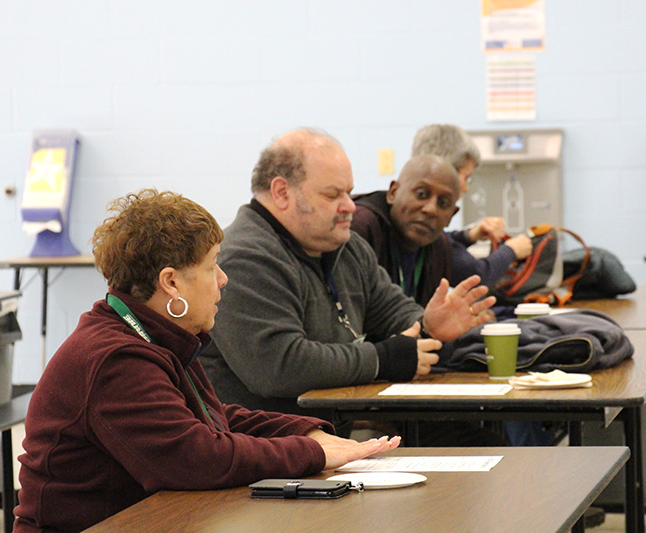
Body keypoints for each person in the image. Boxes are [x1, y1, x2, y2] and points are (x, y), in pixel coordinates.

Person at [14, 189, 400, 532]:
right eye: (212, 265)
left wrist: (307, 433)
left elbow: (214, 418)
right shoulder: (115, 357)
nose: (223, 279)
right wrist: (310, 453)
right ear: (171, 282)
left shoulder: (154, 335)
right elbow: (195, 458)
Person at [199, 128, 495, 430]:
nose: (350, 205)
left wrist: (429, 324)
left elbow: (392, 309)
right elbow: (279, 366)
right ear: (282, 192)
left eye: (348, 192)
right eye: (333, 194)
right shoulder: (244, 257)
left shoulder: (346, 247)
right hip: (263, 451)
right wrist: (381, 359)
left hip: (326, 440)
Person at [411, 124, 532, 287]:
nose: (466, 188)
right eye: (465, 177)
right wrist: (511, 251)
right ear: (446, 170)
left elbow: (442, 241)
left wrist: (471, 235)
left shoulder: (417, 220)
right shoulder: (417, 222)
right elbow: (476, 276)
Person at [351, 154, 461, 306]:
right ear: (393, 193)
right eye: (421, 194)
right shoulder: (360, 226)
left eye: (443, 203)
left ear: (452, 215)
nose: (430, 210)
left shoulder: (440, 247)